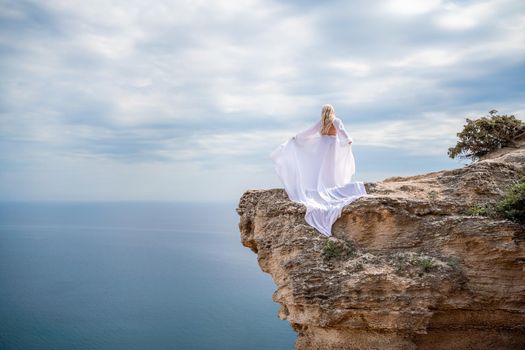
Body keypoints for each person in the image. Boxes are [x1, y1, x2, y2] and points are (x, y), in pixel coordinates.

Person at [269, 104, 368, 237]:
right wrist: (348, 141)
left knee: (320, 170)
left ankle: (323, 188)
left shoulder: (321, 123)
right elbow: (345, 135)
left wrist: (296, 138)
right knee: (331, 169)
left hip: (321, 148)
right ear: (332, 111)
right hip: (332, 147)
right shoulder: (336, 121)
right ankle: (330, 188)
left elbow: (308, 133)